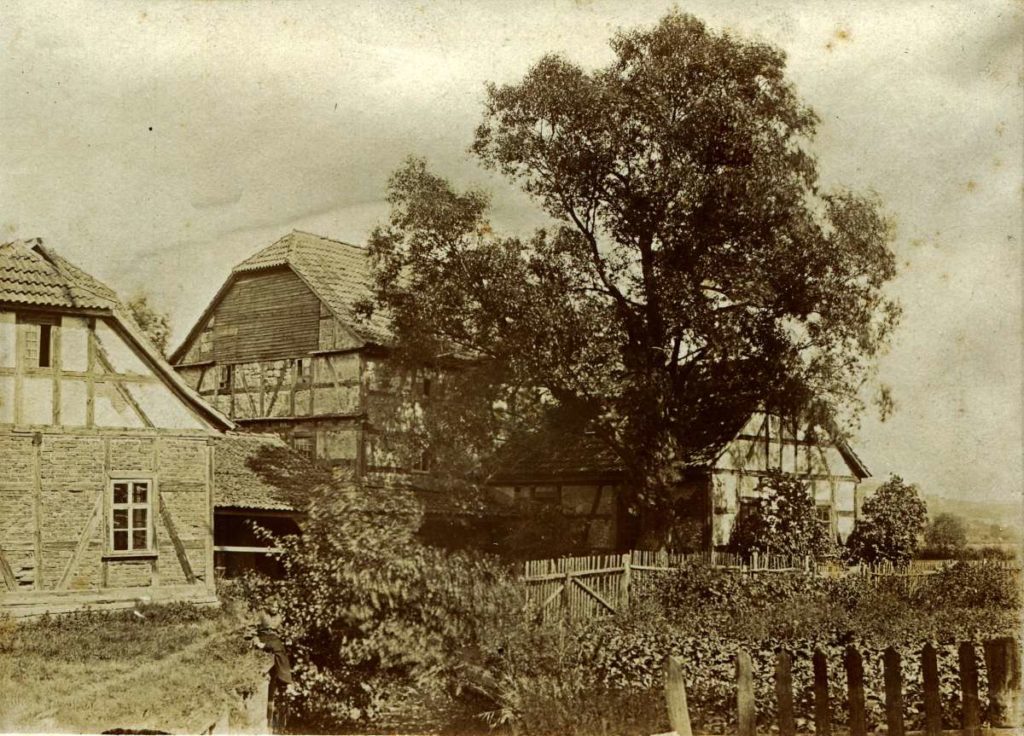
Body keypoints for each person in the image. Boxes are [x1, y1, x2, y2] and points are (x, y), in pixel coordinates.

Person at [253, 608, 292, 733]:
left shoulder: (278, 616)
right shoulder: (261, 613)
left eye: (277, 608)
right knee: (279, 651)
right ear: (268, 606)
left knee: (281, 652)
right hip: (263, 638)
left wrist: (282, 635)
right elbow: (252, 626)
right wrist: (256, 639)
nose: (275, 610)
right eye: (273, 607)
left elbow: (277, 630)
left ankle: (285, 680)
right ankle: (285, 679)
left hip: (272, 638)